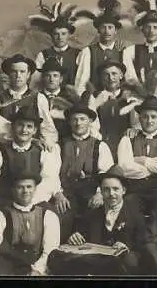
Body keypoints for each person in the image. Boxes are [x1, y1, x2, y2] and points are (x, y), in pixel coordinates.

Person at [47, 165, 146, 275]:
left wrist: (127, 246)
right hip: (94, 260)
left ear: (123, 190)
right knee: (55, 256)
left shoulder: (135, 215)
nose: (111, 194)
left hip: (118, 264)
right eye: (106, 190)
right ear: (101, 192)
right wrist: (75, 237)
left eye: (115, 189)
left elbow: (141, 244)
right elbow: (80, 234)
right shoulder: (92, 214)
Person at [0, 107, 62, 219]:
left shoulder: (43, 153)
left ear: (35, 130)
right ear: (13, 127)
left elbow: (48, 180)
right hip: (6, 202)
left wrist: (29, 202)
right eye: (20, 125)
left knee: (53, 216)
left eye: (29, 126)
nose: (24, 130)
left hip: (35, 201)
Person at [0, 172, 60, 276]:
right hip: (6, 265)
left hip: (34, 265)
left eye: (29, 187)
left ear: (35, 189)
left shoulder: (48, 216)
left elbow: (50, 249)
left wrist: (38, 270)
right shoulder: (2, 215)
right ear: (13, 190)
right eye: (20, 187)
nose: (25, 191)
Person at [57, 101, 114, 242]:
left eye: (82, 119)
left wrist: (100, 194)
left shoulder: (100, 146)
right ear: (69, 122)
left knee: (95, 216)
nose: (78, 123)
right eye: (74, 119)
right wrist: (58, 194)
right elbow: (51, 173)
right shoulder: (59, 146)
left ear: (90, 121)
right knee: (62, 215)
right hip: (66, 192)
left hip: (91, 192)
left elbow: (107, 173)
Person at [117, 96, 157, 215]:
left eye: (153, 117)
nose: (149, 121)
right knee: (128, 207)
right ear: (139, 118)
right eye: (145, 116)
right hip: (134, 190)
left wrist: (142, 160)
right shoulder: (128, 139)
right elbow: (124, 169)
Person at [0, 54, 58, 153]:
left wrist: (48, 143)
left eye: (22, 72)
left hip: (32, 152)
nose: (18, 75)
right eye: (14, 72)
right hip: (5, 152)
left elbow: (47, 128)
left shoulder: (39, 98)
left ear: (28, 75)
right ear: (9, 74)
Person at [74, 0, 127, 96]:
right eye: (103, 27)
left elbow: (130, 79)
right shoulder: (88, 52)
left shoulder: (123, 50)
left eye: (110, 27)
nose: (107, 31)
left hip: (119, 100)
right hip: (95, 100)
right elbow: (81, 83)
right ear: (98, 30)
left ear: (115, 30)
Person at [30, 0, 84, 86]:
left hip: (72, 95)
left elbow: (82, 79)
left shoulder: (78, 54)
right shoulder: (43, 55)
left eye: (63, 34)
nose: (60, 37)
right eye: (56, 34)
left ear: (69, 35)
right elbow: (35, 81)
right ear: (51, 35)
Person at [92, 60, 135, 159]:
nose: (111, 78)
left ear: (121, 75)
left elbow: (137, 122)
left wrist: (133, 129)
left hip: (125, 145)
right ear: (101, 78)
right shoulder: (94, 97)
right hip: (101, 144)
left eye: (114, 74)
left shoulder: (130, 97)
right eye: (106, 75)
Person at [38, 57, 76, 142]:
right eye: (48, 75)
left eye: (55, 76)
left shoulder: (70, 98)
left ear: (61, 79)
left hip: (67, 141)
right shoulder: (36, 98)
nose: (51, 79)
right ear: (43, 78)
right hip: (44, 141)